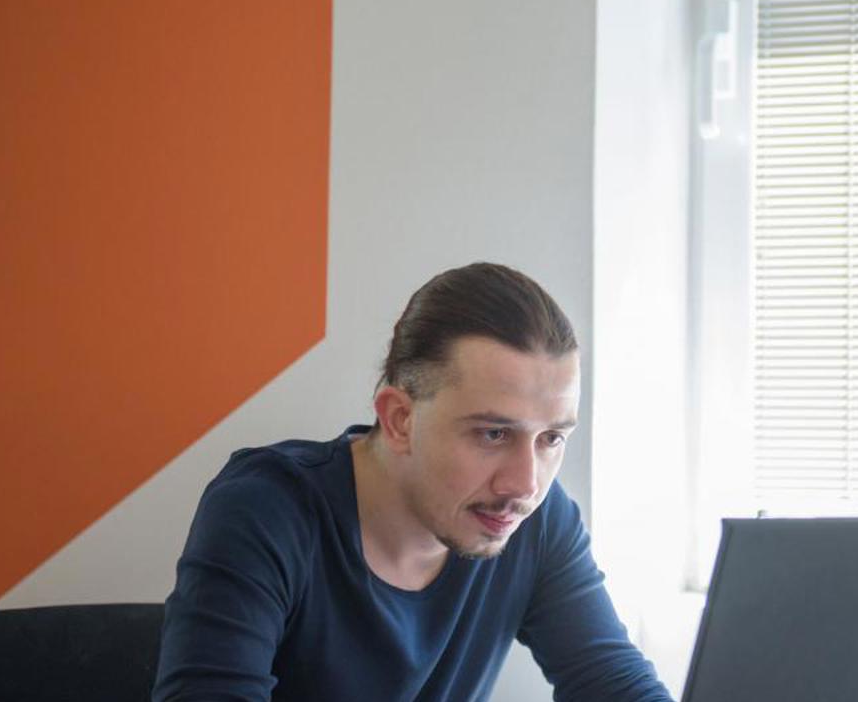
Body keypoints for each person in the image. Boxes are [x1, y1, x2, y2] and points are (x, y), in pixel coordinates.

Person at [153, 262, 674, 701]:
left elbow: (614, 683)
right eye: (494, 433)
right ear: (400, 419)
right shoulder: (267, 509)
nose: (525, 484)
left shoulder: (538, 522)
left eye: (552, 439)